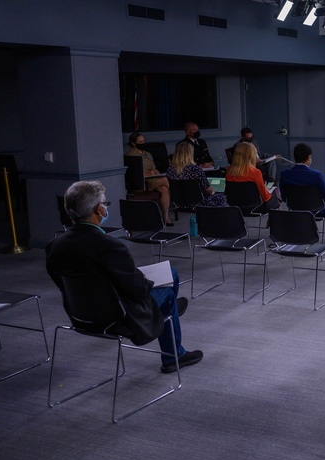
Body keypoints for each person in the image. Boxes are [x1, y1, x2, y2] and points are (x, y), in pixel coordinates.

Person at [45, 180, 203, 374]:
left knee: (173, 273)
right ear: (98, 210)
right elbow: (139, 291)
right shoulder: (110, 247)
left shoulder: (55, 245)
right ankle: (174, 354)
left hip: (80, 315)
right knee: (168, 294)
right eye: (104, 205)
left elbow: (62, 283)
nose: (105, 208)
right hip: (117, 316)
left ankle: (166, 312)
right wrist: (142, 279)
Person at [279, 142, 325, 244]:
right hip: (318, 210)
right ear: (309, 157)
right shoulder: (317, 175)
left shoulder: (284, 174)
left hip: (295, 208)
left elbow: (284, 197)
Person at [125, 131, 172, 224]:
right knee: (165, 180)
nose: (143, 144)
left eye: (144, 141)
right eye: (140, 142)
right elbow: (134, 173)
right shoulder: (130, 155)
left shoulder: (147, 153)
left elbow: (153, 167)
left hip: (153, 179)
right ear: (134, 143)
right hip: (142, 181)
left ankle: (165, 217)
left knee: (164, 189)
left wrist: (155, 171)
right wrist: (148, 173)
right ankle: (175, 198)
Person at [167, 141, 227, 206]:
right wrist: (213, 192)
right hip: (200, 201)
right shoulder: (195, 169)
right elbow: (208, 189)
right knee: (223, 197)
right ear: (190, 154)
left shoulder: (170, 170)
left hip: (179, 202)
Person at [225, 142, 280, 211]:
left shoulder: (228, 171)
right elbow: (265, 197)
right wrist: (266, 190)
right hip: (254, 207)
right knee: (274, 195)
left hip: (234, 207)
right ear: (251, 155)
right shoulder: (255, 172)